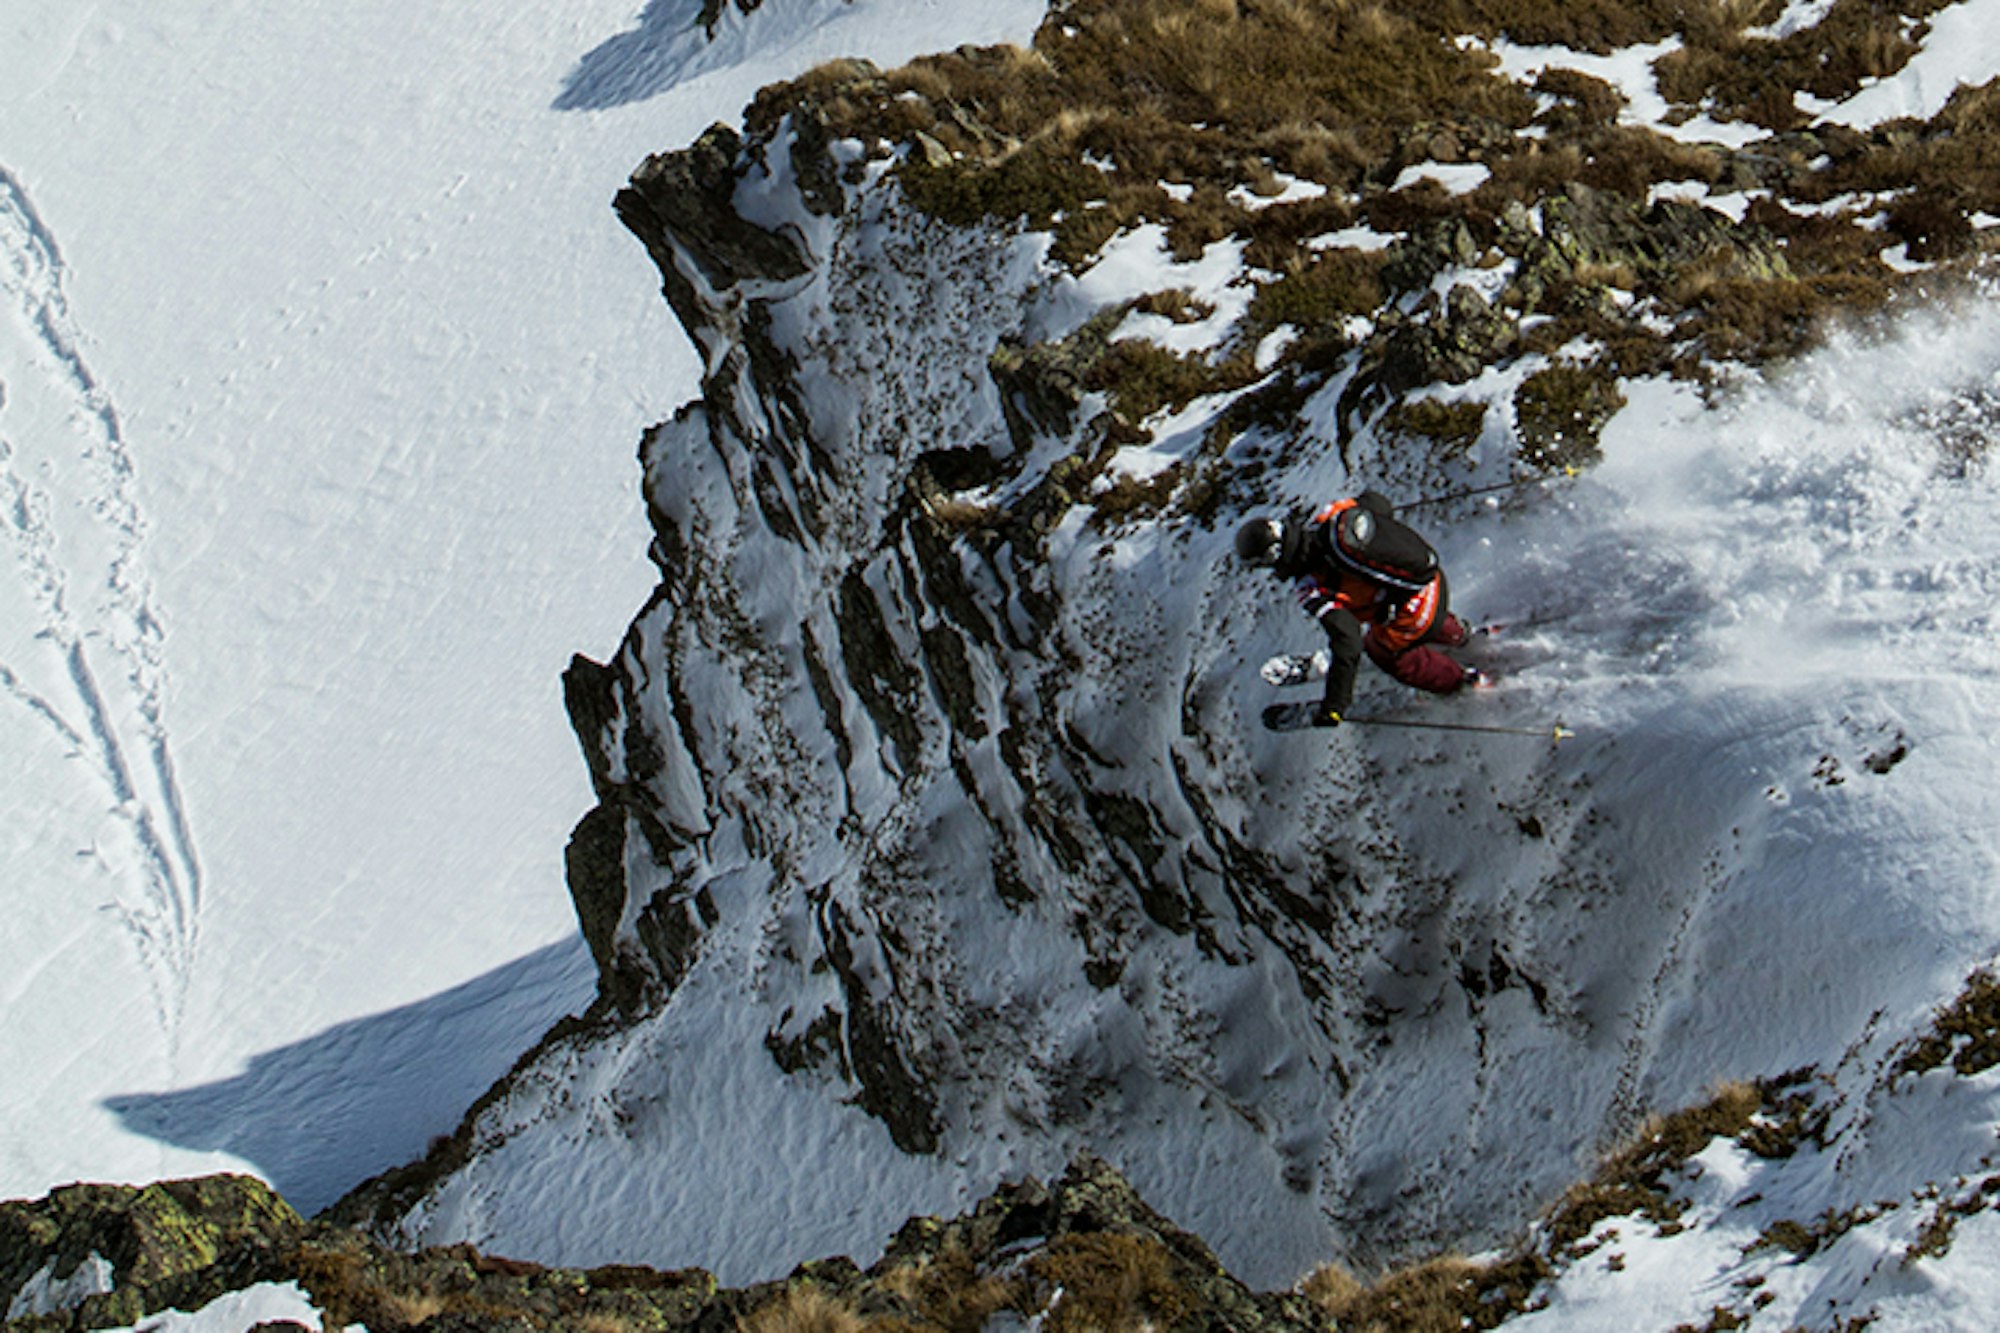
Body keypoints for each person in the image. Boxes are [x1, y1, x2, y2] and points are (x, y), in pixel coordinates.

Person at [1235, 490, 1481, 727]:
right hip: (1432, 580)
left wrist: (1334, 705)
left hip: (1416, 615)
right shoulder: (1330, 514)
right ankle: (1458, 634)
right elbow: (1378, 502)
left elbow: (1348, 643)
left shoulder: (1312, 588)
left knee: (1383, 651)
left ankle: (1458, 682)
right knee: (1395, 614)